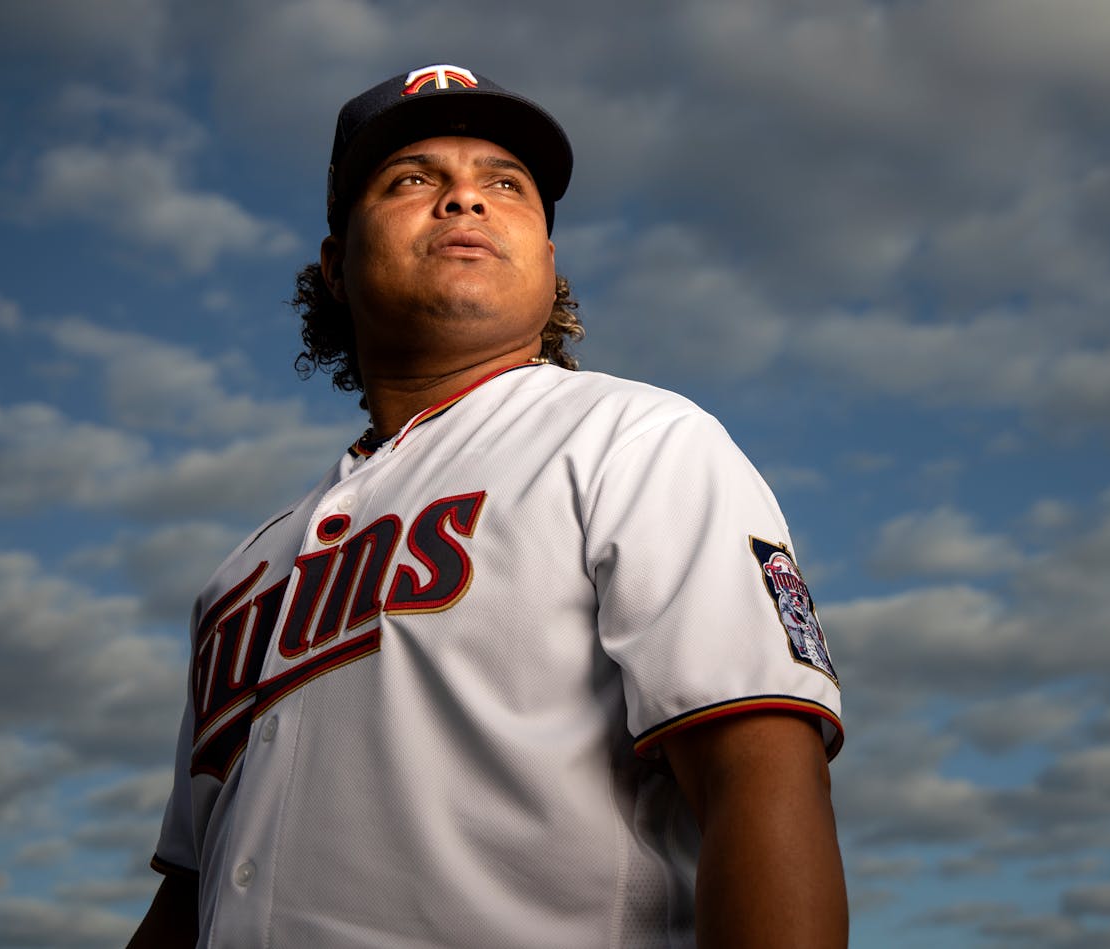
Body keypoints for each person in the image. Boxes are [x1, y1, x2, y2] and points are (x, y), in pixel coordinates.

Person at [129, 62, 846, 949]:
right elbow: (188, 897)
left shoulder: (636, 438)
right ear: (335, 269)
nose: (464, 200)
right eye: (412, 180)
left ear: (549, 261)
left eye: (504, 184)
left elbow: (761, 778)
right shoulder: (241, 571)